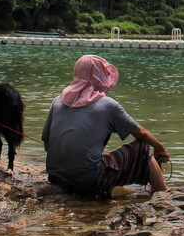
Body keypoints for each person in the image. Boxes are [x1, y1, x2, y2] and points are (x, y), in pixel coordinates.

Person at [42, 54, 170, 199]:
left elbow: (47, 146)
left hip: (55, 178)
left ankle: (106, 188)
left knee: (102, 160)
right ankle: (162, 193)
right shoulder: (108, 105)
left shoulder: (58, 101)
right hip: (88, 181)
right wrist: (160, 149)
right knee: (143, 148)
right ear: (99, 76)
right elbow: (142, 133)